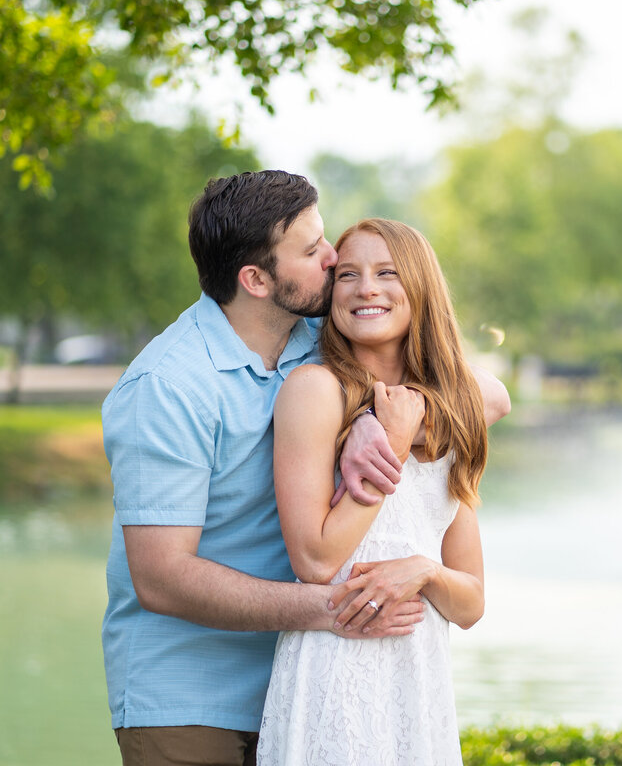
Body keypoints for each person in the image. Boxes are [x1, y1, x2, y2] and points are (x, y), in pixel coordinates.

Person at [101, 171, 509, 766]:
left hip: (310, 673)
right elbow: (161, 578)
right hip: (193, 696)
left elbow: (487, 396)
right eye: (314, 250)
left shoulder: (316, 333)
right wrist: (338, 608)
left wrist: (378, 419)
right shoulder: (167, 387)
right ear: (257, 280)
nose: (334, 256)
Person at [258, 219, 490, 765]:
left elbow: (473, 603)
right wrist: (392, 440)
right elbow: (315, 560)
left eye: (387, 273)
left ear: (420, 288)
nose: (366, 288)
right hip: (336, 671)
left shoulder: (449, 417)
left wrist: (425, 571)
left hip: (419, 683)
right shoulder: (313, 390)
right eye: (348, 275)